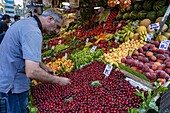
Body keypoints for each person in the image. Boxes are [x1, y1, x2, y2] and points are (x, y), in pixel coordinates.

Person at [0, 8, 71, 113]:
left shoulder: (26, 23)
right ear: (50, 19)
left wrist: (44, 67)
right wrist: (58, 80)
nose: (57, 32)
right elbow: (32, 71)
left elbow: (26, 53)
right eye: (57, 27)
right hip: (12, 89)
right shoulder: (33, 32)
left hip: (6, 81)